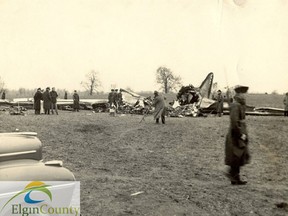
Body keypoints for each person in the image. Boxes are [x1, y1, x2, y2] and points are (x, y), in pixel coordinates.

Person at [224, 85, 250, 185]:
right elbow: (234, 121)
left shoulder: (240, 104)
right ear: (238, 94)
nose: (244, 96)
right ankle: (232, 174)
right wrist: (240, 134)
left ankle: (235, 177)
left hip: (240, 131)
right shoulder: (236, 105)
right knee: (236, 155)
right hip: (235, 133)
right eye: (242, 93)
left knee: (239, 155)